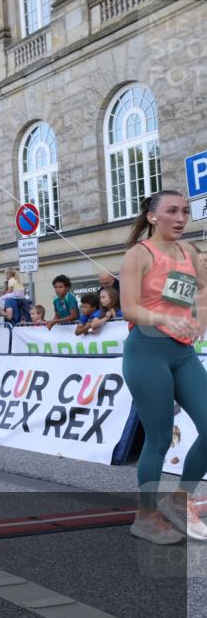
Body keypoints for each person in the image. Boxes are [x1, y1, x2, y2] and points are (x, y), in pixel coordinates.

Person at [120, 190, 207, 543]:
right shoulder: (138, 255)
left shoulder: (190, 252)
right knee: (158, 438)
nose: (180, 217)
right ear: (153, 217)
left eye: (185, 211)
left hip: (183, 353)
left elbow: (202, 290)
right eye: (172, 211)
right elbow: (128, 309)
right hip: (146, 352)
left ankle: (179, 498)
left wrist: (201, 320)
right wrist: (164, 319)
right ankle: (145, 516)